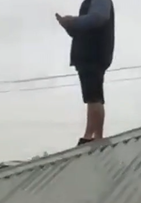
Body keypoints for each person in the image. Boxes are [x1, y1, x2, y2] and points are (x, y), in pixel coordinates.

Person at [55, 0, 115, 146]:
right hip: (91, 55)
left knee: (93, 97)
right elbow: (82, 30)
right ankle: (94, 135)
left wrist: (72, 21)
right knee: (93, 97)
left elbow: (98, 18)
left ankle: (92, 136)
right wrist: (68, 25)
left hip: (92, 54)